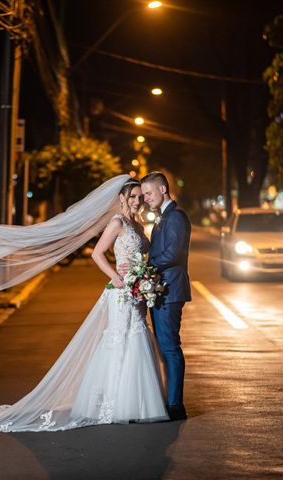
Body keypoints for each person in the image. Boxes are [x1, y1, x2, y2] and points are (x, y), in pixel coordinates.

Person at [0, 179, 169, 433]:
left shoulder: (137, 225)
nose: (137, 201)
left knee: (135, 336)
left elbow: (141, 255)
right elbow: (97, 254)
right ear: (121, 197)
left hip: (137, 291)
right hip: (121, 292)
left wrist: (143, 277)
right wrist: (115, 277)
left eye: (139, 197)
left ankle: (132, 401)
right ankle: (116, 403)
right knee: (121, 339)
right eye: (132, 197)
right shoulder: (117, 222)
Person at [127, 171, 192, 421]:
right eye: (143, 194)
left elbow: (173, 254)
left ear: (163, 189)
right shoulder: (163, 217)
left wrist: (146, 267)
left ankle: (176, 406)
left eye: (148, 193)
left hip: (171, 289)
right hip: (160, 289)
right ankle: (170, 401)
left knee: (170, 348)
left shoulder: (176, 216)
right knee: (165, 349)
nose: (145, 198)